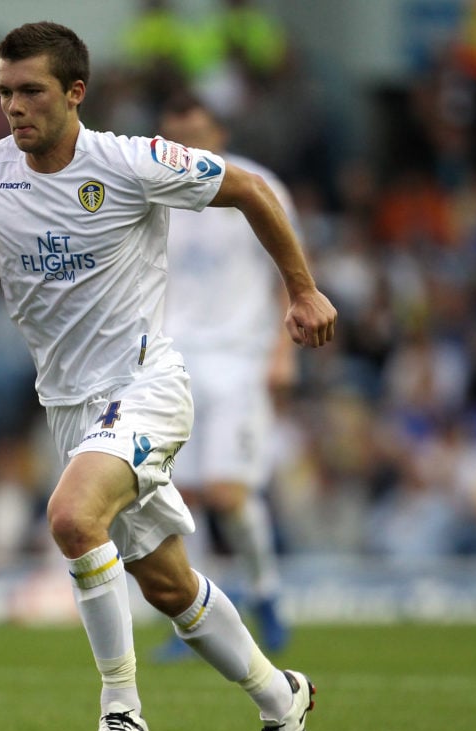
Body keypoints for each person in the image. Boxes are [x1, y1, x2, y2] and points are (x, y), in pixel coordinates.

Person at [0, 22, 336, 731]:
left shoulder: (131, 161)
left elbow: (252, 189)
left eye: (30, 91)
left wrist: (302, 290)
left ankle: (121, 705)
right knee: (169, 586)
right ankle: (278, 693)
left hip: (146, 386)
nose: (14, 108)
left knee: (69, 519)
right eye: (4, 92)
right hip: (69, 406)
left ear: (75, 93)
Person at [154, 94, 298, 658]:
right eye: (178, 134)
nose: (189, 145)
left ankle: (265, 590)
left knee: (227, 491)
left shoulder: (256, 186)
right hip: (173, 359)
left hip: (240, 357)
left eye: (198, 133)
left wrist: (285, 354)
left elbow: (289, 269)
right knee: (176, 498)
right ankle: (198, 617)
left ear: (221, 132)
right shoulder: (155, 187)